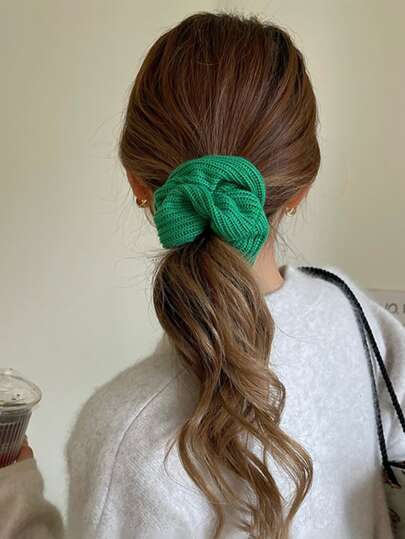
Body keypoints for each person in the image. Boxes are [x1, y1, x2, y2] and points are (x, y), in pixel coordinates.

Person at [1, 10, 404, 539]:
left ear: (139, 185)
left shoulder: (124, 435)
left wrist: (14, 501)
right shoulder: (349, 309)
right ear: (301, 187)